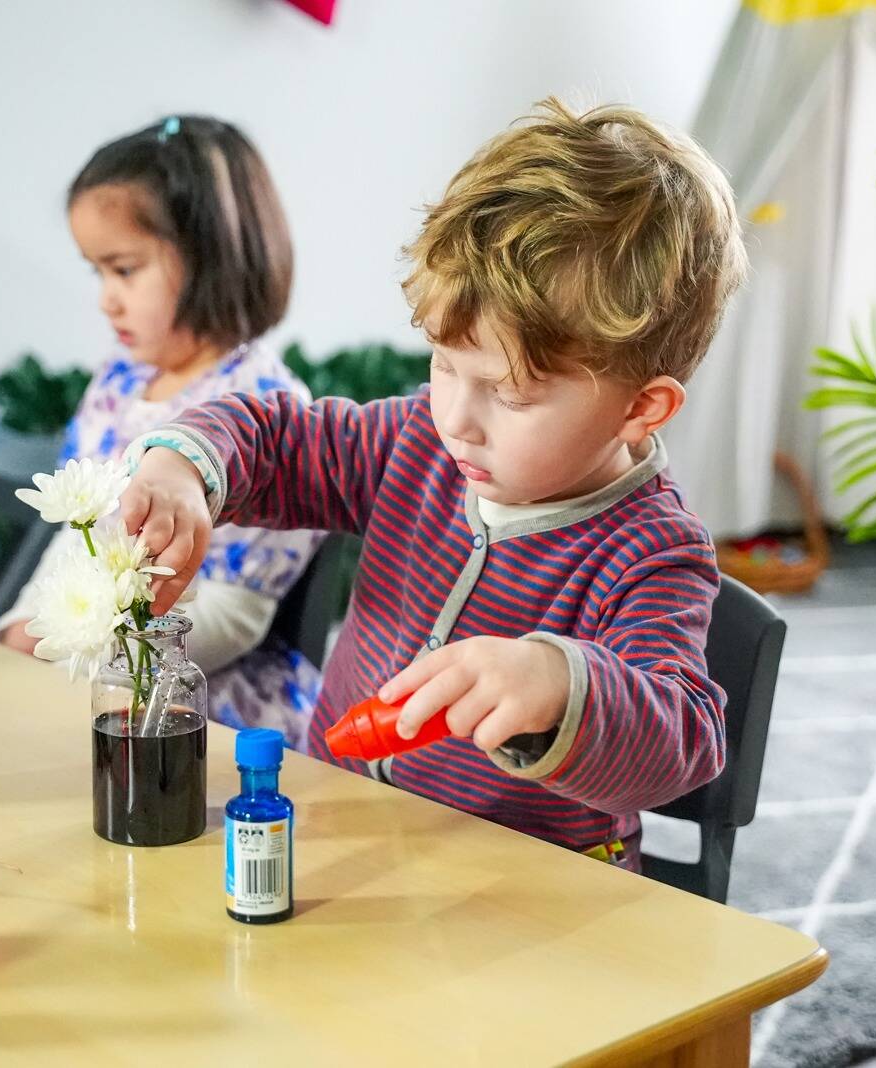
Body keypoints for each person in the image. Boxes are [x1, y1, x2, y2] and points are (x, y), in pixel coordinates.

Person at [113, 99, 747, 869]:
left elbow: (684, 738)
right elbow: (275, 439)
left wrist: (560, 682)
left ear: (641, 408)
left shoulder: (653, 552)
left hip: (521, 897)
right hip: (343, 838)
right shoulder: (413, 441)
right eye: (444, 364)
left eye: (509, 393)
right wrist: (184, 467)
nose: (458, 418)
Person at [0, 115, 321, 747]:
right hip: (84, 666)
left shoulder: (266, 409)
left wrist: (80, 649)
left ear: (210, 258)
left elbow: (232, 614)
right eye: (98, 273)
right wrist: (25, 626)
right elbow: (73, 539)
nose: (105, 300)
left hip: (195, 698)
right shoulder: (120, 382)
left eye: (124, 269)